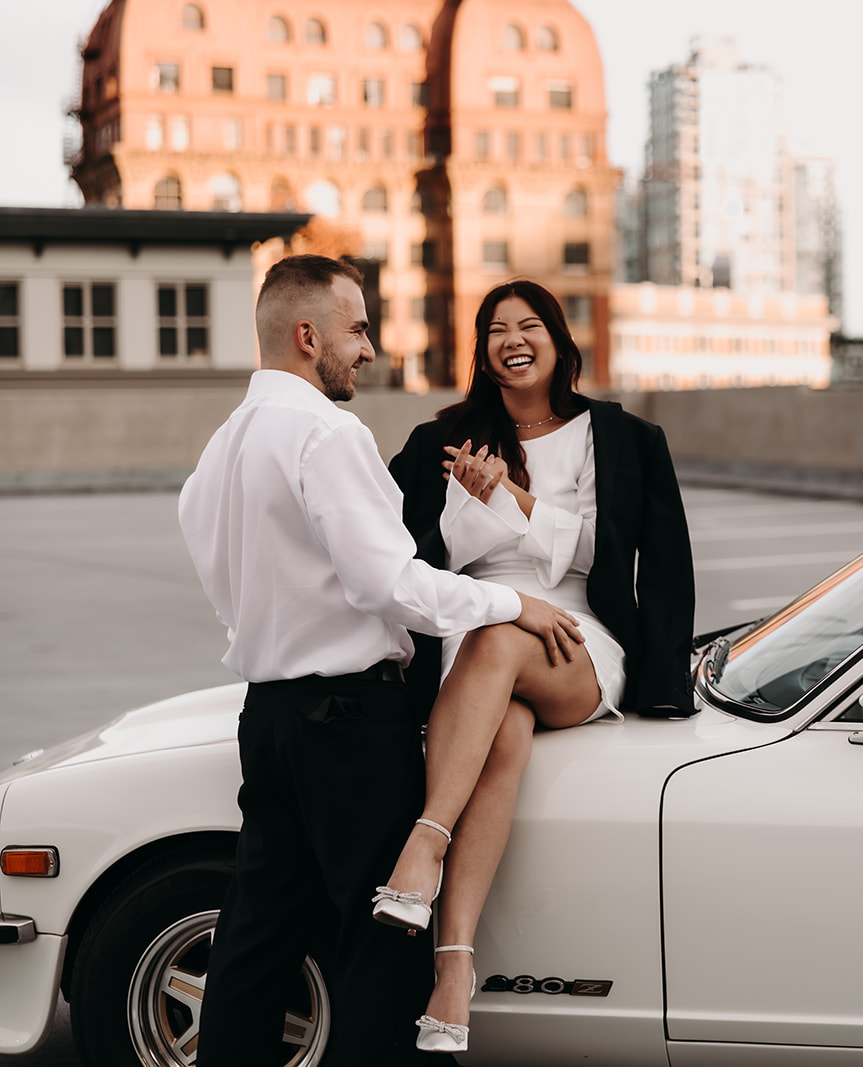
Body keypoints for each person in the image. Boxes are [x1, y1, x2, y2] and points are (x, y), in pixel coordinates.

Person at [178, 255, 581, 1065]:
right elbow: (390, 584)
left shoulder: (219, 451)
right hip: (350, 724)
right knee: (379, 948)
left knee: (255, 939)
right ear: (306, 335)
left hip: (270, 717)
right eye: (357, 328)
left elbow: (227, 585)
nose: (368, 348)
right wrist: (517, 604)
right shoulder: (327, 433)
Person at [383, 278, 695, 1051]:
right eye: (494, 328)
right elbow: (412, 558)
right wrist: (467, 494)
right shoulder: (442, 440)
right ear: (482, 350)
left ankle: (425, 845)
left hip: (578, 634)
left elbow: (634, 559)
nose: (511, 338)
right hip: (474, 625)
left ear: (558, 340)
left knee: (504, 635)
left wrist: (518, 500)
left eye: (528, 325)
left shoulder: (621, 437)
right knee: (506, 728)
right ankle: (453, 972)